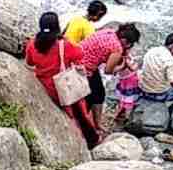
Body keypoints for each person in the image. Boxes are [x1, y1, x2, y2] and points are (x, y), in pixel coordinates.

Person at [24, 12, 99, 148]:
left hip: (45, 87)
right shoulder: (63, 45)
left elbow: (29, 62)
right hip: (64, 86)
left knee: (67, 117)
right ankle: (90, 141)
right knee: (80, 114)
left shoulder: (32, 44)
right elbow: (80, 54)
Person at [78, 23, 140, 134]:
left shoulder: (109, 32)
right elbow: (108, 71)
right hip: (84, 69)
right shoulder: (117, 48)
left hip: (79, 57)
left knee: (99, 93)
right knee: (93, 96)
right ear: (125, 41)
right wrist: (122, 66)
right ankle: (87, 127)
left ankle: (97, 124)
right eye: (131, 44)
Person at [138, 32, 173, 105]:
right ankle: (172, 111)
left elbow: (158, 67)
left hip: (143, 90)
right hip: (158, 95)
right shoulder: (170, 60)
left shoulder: (152, 50)